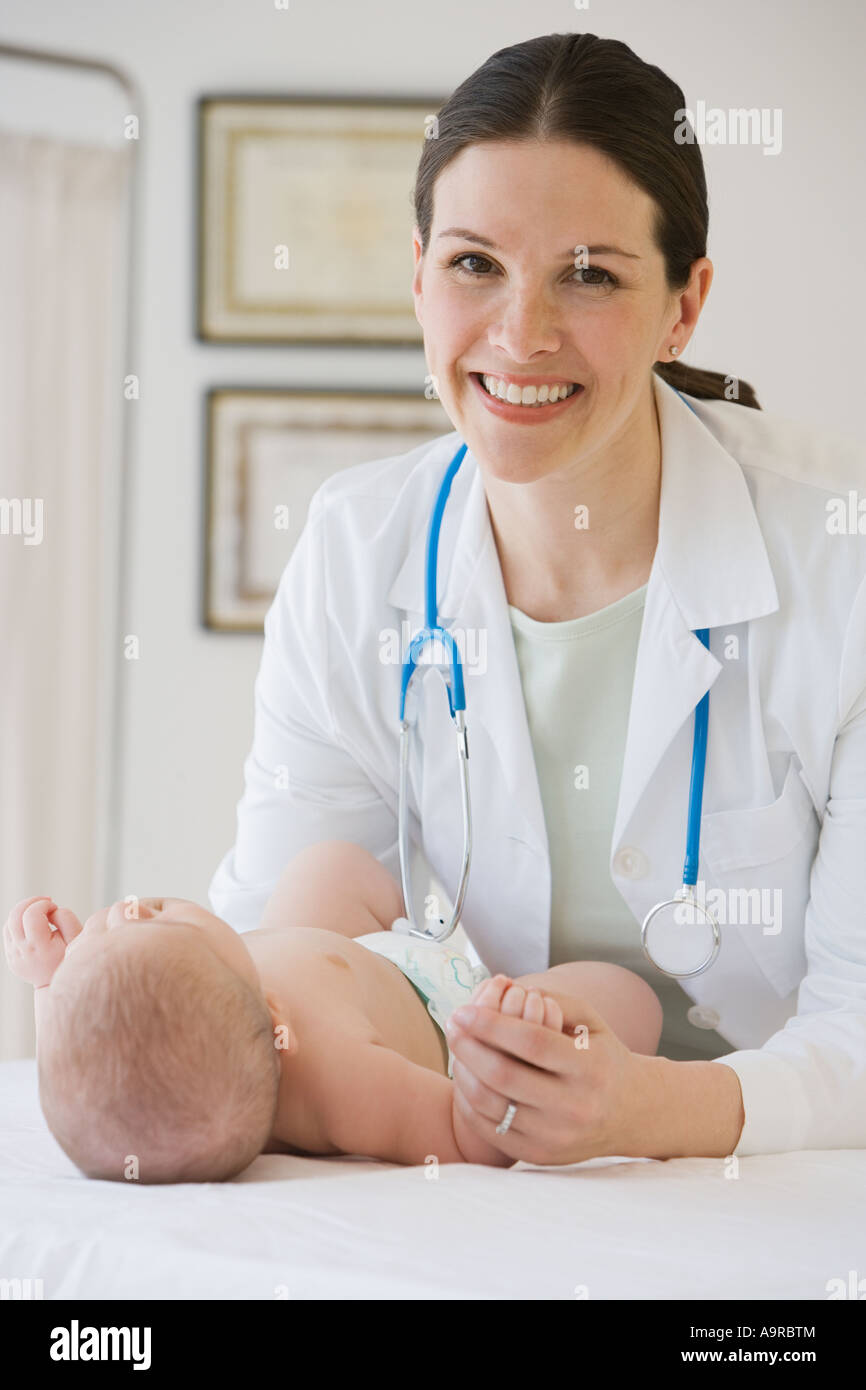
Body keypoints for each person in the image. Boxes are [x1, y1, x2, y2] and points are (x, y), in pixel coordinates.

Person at [210, 33, 866, 1163]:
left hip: (778, 1194)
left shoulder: (837, 559)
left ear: (682, 304)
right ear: (418, 274)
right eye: (475, 264)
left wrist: (641, 1113)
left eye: (590, 273)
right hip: (466, 1186)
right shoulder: (354, 552)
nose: (521, 333)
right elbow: (281, 948)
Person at [3, 840, 662, 1178]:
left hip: (344, 951)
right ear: (268, 1010)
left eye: (106, 935)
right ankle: (533, 1002)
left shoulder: (198, 1010)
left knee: (327, 865)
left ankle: (398, 926)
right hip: (447, 1009)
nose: (129, 907)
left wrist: (49, 983)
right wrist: (509, 1044)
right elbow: (461, 1139)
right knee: (629, 999)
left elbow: (88, 1055)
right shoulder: (340, 1079)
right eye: (156, 918)